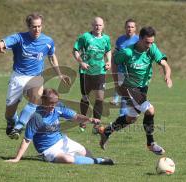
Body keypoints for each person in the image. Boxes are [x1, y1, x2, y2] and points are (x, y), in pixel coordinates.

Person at [0, 13, 70, 140]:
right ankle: (12, 122)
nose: (37, 29)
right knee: (9, 113)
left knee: (35, 98)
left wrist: (60, 74)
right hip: (18, 77)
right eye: (34, 27)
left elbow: (52, 57)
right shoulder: (19, 38)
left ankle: (19, 127)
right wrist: (0, 44)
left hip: (36, 77)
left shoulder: (48, 41)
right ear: (28, 26)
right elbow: (5, 41)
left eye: (39, 26)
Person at [99, 26, 173, 155]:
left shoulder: (151, 49)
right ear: (139, 39)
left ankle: (107, 131)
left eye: (151, 42)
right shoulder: (128, 52)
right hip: (129, 88)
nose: (149, 45)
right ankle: (151, 143)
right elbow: (114, 60)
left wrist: (167, 75)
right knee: (150, 110)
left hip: (143, 88)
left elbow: (164, 64)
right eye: (147, 42)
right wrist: (117, 83)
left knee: (130, 119)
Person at [6, 88, 114, 165]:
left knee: (86, 153)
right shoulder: (36, 117)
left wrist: (89, 119)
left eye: (55, 103)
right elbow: (26, 139)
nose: (53, 106)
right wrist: (17, 159)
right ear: (43, 101)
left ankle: (94, 160)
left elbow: (75, 117)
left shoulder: (58, 107)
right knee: (68, 160)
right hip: (48, 149)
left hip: (62, 141)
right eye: (50, 103)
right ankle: (100, 161)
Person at [73, 17, 112, 132]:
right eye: (95, 25)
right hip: (85, 72)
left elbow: (108, 50)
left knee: (100, 98)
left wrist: (108, 61)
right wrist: (81, 62)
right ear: (92, 25)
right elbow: (75, 50)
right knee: (86, 97)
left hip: (100, 71)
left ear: (103, 26)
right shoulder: (85, 37)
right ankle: (83, 120)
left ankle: (96, 123)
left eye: (100, 25)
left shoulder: (106, 38)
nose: (97, 27)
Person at [110, 19, 139, 117]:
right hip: (120, 69)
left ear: (135, 28)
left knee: (126, 92)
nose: (130, 29)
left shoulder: (138, 40)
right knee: (124, 91)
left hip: (133, 70)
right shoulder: (120, 39)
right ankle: (122, 113)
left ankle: (123, 112)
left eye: (132, 27)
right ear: (125, 28)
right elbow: (116, 53)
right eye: (128, 27)